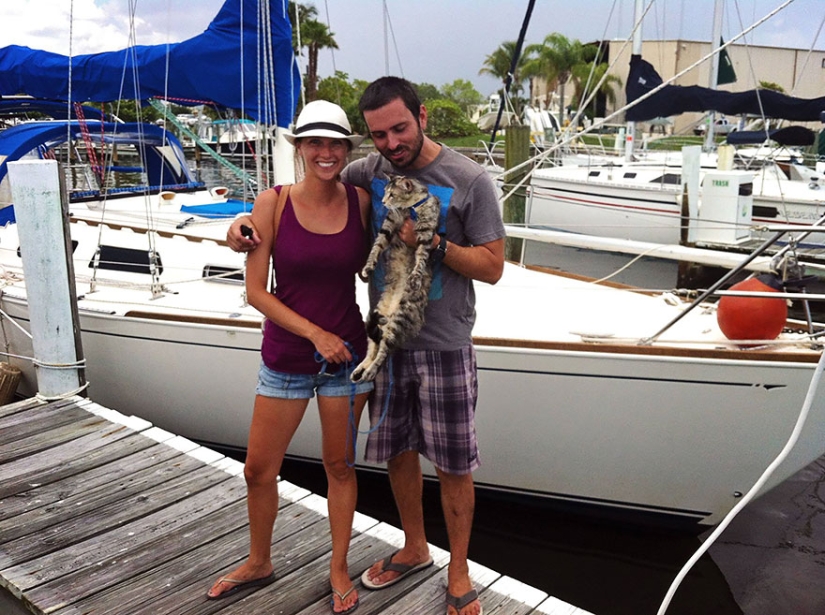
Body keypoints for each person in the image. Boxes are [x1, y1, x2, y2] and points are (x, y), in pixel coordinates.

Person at [228, 78, 505, 615]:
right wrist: (238, 225)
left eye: (399, 128)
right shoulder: (368, 173)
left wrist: (435, 242)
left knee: (452, 464)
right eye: (378, 134)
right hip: (385, 344)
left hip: (444, 343)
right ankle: (416, 547)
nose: (391, 141)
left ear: (422, 116)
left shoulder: (469, 179)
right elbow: (306, 194)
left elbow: (493, 267)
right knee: (397, 453)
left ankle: (460, 569)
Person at [207, 100, 373, 615]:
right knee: (258, 469)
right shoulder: (271, 202)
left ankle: (339, 566)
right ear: (299, 148)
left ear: (347, 149)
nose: (325, 153)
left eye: (335, 144)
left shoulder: (363, 201)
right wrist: (314, 333)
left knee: (339, 467)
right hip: (286, 358)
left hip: (347, 357)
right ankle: (260, 560)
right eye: (314, 143)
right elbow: (256, 291)